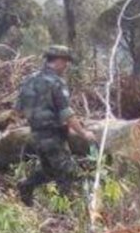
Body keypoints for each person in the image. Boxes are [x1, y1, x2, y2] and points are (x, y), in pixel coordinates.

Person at [14, 45, 95, 206]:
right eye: (65, 62)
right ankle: (64, 213)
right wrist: (84, 133)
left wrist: (38, 117)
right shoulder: (56, 82)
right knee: (68, 172)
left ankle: (26, 186)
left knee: (49, 170)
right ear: (58, 60)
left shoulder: (28, 80)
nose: (66, 66)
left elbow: (18, 110)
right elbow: (66, 113)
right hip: (53, 135)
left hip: (36, 135)